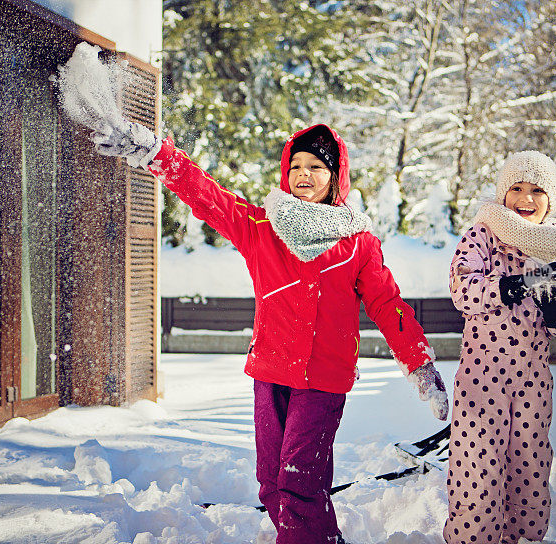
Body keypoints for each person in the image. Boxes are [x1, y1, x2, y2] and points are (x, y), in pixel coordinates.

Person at [88, 120, 450, 544]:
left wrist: (418, 361)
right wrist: (157, 154)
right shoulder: (263, 229)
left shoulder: (358, 244)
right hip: (271, 372)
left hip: (324, 381)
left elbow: (388, 304)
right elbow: (209, 198)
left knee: (299, 483)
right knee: (271, 483)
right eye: (296, 165)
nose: (304, 175)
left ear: (335, 176)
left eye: (317, 166)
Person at [445, 151, 556, 544]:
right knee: (477, 471)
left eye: (537, 190)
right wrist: (506, 287)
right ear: (503, 194)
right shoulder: (483, 233)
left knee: (530, 470)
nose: (525, 198)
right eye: (517, 188)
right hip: (480, 382)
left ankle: (525, 539)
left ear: (551, 200)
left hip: (532, 384)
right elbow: (461, 290)